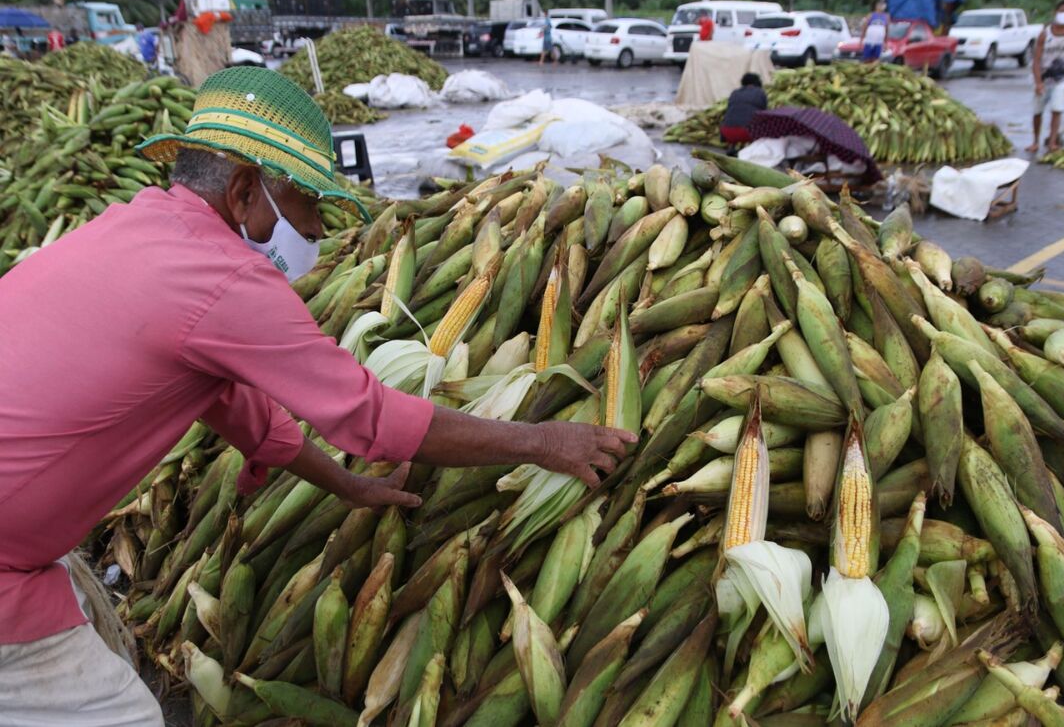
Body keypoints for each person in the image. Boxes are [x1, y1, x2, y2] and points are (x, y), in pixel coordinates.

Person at [0, 67, 633, 725]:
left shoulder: (135, 231)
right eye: (306, 205)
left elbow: (226, 402)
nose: (317, 229)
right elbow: (370, 416)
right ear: (246, 190)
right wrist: (539, 443)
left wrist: (343, 484)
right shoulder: (222, 277)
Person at [1028, 0, 1064, 154]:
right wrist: (1038, 82)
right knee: (1037, 111)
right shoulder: (1045, 34)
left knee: (1057, 109)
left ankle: (1052, 142)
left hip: (1062, 78)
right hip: (1044, 77)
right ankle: (1035, 141)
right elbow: (1036, 61)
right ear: (1055, 13)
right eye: (1063, 11)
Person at [721, 72, 768, 153]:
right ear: (758, 82)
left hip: (726, 132)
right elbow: (764, 113)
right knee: (763, 121)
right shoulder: (760, 93)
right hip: (748, 133)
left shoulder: (735, 92)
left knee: (734, 116)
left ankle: (731, 146)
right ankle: (752, 149)